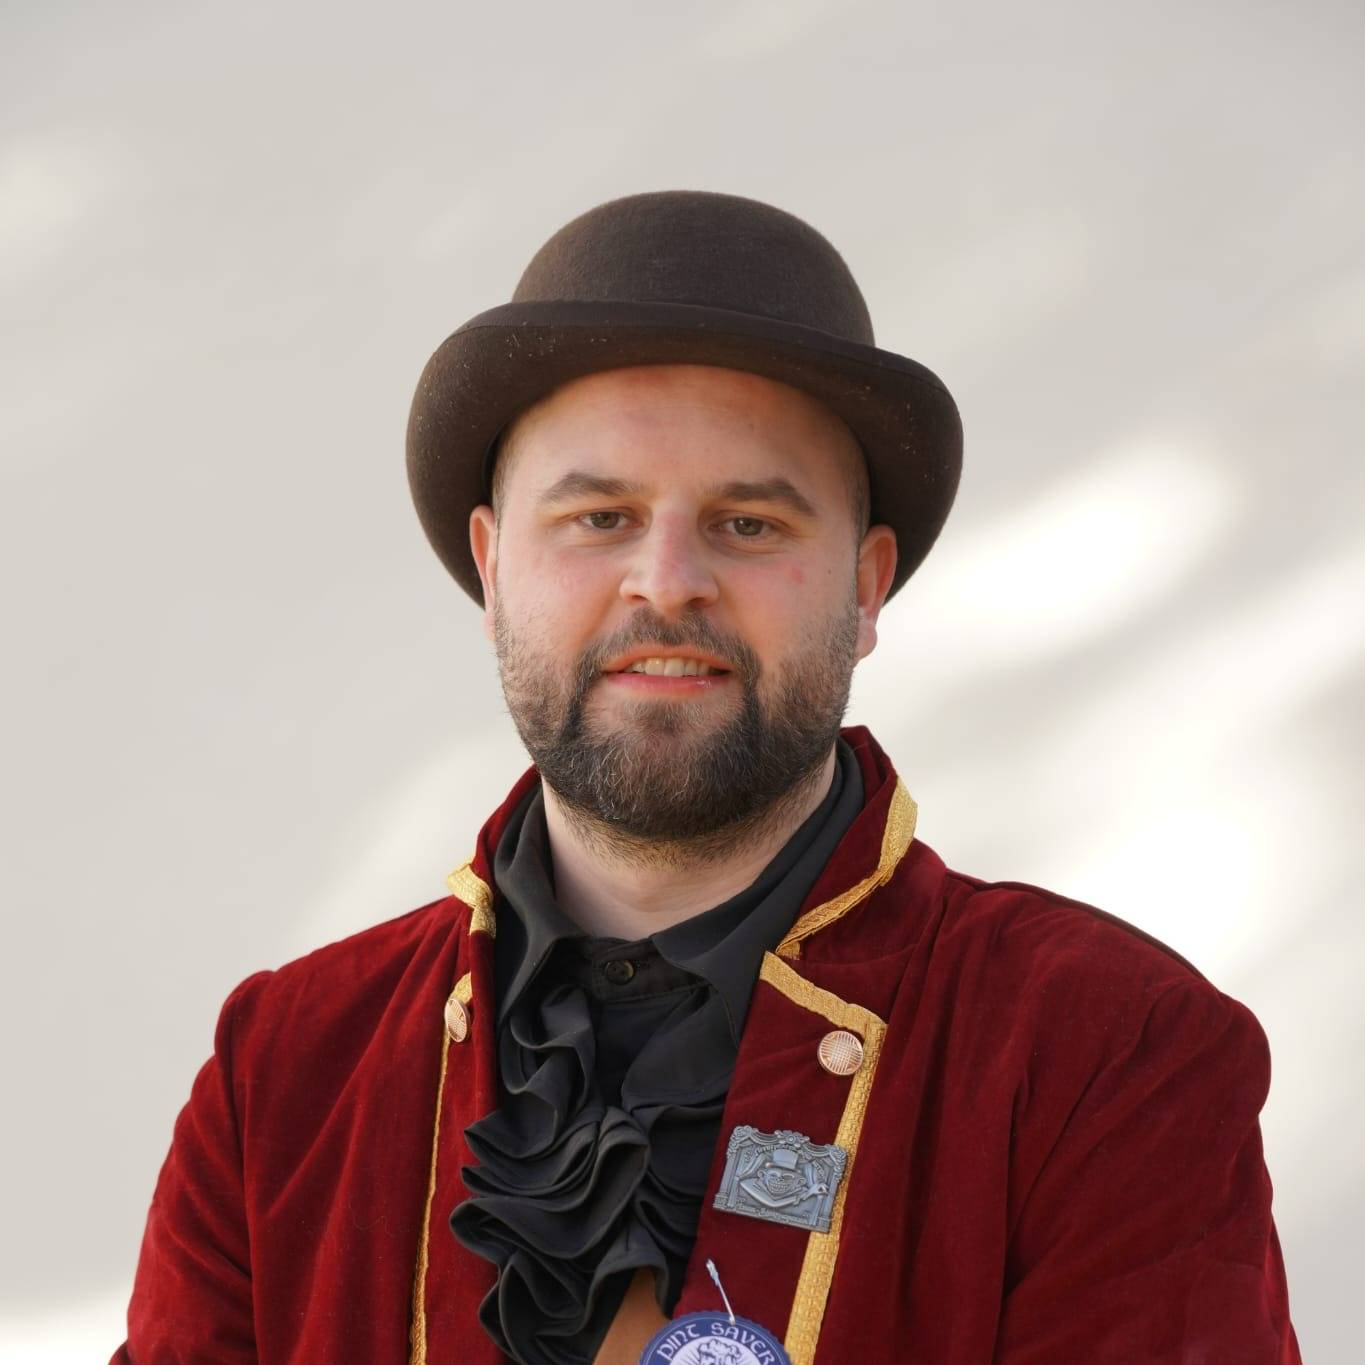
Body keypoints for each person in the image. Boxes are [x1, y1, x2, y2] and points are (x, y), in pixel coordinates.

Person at [113, 191, 1300, 1365]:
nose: (667, 579)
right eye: (600, 517)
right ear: (493, 567)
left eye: (747, 524)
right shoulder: (285, 1069)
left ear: (865, 587)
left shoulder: (1110, 1052)